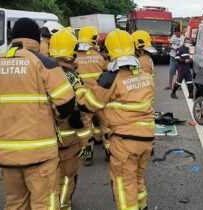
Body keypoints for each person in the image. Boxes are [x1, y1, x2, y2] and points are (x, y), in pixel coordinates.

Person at [0, 18, 76, 210]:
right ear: (36, 39)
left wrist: (1, 118)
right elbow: (67, 102)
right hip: (40, 154)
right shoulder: (44, 63)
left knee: (15, 203)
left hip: (7, 155)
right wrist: (55, 118)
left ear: (13, 38)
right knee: (44, 204)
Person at [75, 29, 155, 210]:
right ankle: (143, 206)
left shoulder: (110, 78)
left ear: (109, 51)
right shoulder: (145, 76)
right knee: (137, 179)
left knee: (123, 183)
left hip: (125, 140)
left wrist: (80, 91)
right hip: (147, 138)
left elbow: (89, 105)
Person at [49, 29, 93, 210]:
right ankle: (63, 205)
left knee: (49, 177)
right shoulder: (74, 78)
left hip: (44, 137)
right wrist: (85, 141)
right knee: (67, 176)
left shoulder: (41, 72)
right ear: (72, 51)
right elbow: (78, 113)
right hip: (68, 138)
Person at [74, 25, 109, 166]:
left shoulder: (74, 57)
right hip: (99, 98)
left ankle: (88, 156)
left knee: (86, 129)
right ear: (94, 40)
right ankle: (109, 152)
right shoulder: (100, 57)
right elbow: (108, 75)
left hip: (83, 101)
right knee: (105, 125)